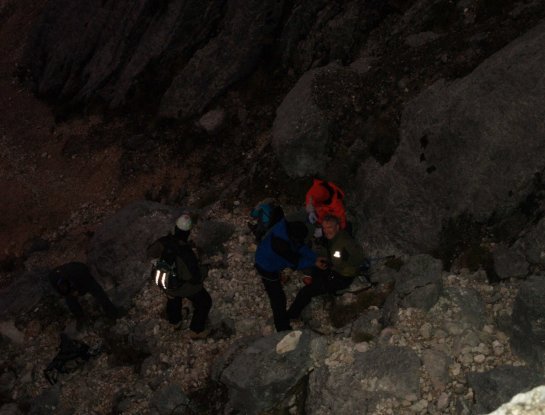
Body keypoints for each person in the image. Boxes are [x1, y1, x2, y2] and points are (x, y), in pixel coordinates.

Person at [147, 214, 212, 340]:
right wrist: (205, 268)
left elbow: (150, 253)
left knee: (172, 296)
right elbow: (195, 278)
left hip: (164, 282)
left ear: (175, 228)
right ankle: (196, 331)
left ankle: (175, 321)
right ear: (188, 232)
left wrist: (159, 263)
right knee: (204, 301)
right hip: (179, 286)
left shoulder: (163, 241)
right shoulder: (185, 252)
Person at [287, 214, 364, 321]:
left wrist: (344, 261)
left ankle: (291, 316)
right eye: (324, 228)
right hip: (335, 269)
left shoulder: (344, 242)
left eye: (330, 227)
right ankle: (316, 285)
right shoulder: (336, 237)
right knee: (318, 267)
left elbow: (359, 258)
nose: (327, 231)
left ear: (337, 227)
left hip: (342, 277)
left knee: (305, 292)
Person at [255, 218, 327, 332]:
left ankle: (284, 324)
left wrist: (315, 257)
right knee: (278, 299)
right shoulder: (281, 246)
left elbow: (300, 247)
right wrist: (314, 263)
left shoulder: (287, 229)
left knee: (278, 294)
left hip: (269, 255)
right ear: (293, 238)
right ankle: (282, 329)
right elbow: (296, 263)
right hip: (265, 266)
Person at [48, 262, 119, 326]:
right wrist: (70, 293)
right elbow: (62, 292)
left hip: (83, 275)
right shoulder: (53, 277)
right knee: (70, 299)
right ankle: (80, 317)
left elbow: (86, 283)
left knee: (98, 292)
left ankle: (112, 313)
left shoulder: (79, 271)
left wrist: (79, 291)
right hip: (70, 279)